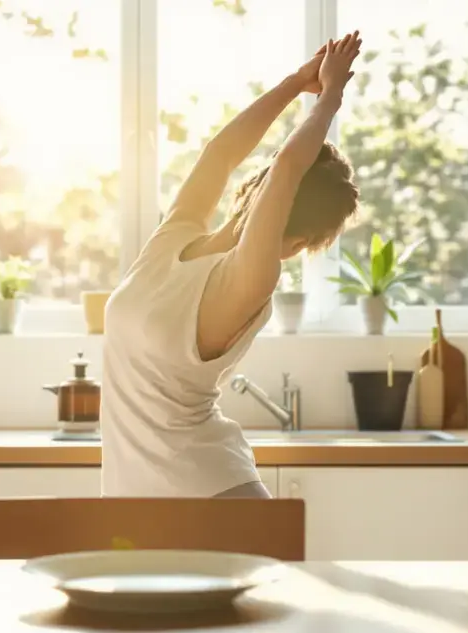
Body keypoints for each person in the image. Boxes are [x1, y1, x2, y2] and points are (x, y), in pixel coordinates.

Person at [100, 32, 363, 499]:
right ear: (300, 244)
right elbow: (220, 155)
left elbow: (284, 168)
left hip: (214, 502)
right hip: (161, 505)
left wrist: (327, 97)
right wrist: (298, 84)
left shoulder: (247, 279)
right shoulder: (173, 238)